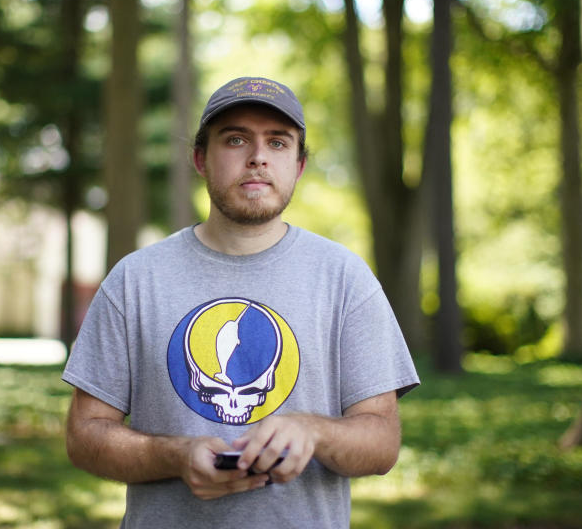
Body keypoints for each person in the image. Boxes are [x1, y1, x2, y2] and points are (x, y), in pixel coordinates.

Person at [63, 76, 419, 528]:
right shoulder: (135, 280)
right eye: (235, 140)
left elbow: (383, 441)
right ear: (200, 158)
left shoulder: (345, 278)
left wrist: (312, 431)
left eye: (278, 142)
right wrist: (175, 455)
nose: (257, 157)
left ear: (299, 165)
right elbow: (84, 435)